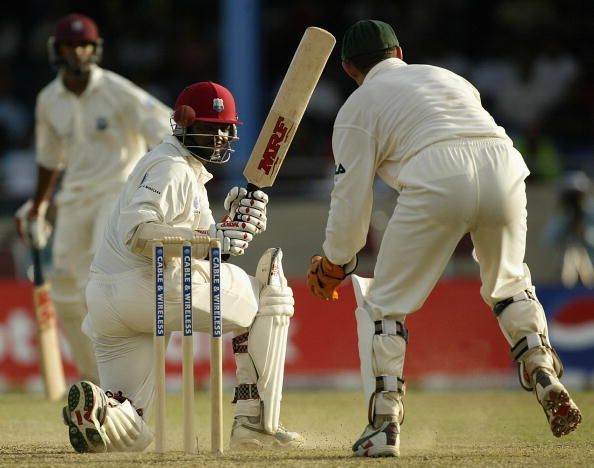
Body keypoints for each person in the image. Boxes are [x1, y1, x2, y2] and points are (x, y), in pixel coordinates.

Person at [306, 19, 582, 458]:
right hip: (504, 165)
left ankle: (384, 424)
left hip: (436, 174)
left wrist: (336, 262)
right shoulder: (446, 76)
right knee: (510, 284)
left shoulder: (357, 108)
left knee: (384, 305)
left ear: (348, 69)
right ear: (399, 53)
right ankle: (541, 366)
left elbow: (350, 201)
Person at [61, 81, 303, 453]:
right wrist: (215, 238)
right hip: (150, 287)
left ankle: (101, 410)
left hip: (109, 302)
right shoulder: (171, 168)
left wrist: (231, 226)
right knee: (270, 294)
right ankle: (254, 422)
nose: (220, 136)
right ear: (184, 126)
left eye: (226, 129)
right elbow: (139, 233)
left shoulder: (183, 169)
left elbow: (207, 248)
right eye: (210, 127)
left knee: (132, 434)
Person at [15, 13, 172, 384]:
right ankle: (93, 380)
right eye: (71, 45)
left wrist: (157, 187)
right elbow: (50, 158)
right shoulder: (48, 100)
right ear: (57, 50)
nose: (78, 52)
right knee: (66, 293)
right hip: (73, 199)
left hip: (116, 194)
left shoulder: (120, 92)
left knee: (95, 279)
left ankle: (122, 377)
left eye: (85, 45)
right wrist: (38, 205)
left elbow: (167, 131)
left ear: (95, 49)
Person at [544, 171, 594, 288]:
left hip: (590, 266)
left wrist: (585, 233)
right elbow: (549, 239)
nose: (574, 199)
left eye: (576, 195)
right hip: (566, 267)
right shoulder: (563, 215)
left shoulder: (590, 212)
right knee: (571, 256)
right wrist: (565, 227)